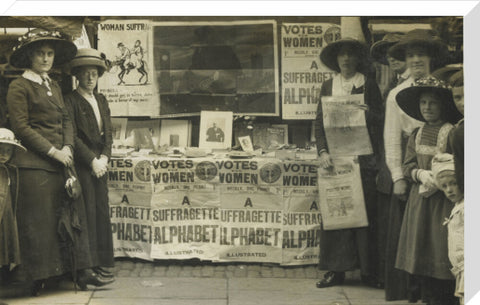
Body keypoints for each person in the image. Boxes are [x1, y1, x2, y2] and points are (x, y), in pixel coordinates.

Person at [5, 28, 96, 295]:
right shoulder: (19, 86)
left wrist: (67, 146)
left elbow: (66, 119)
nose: (45, 59)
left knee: (69, 218)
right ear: (29, 57)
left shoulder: (54, 85)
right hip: (35, 165)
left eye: (49, 54)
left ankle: (75, 272)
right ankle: (37, 278)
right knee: (40, 223)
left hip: (61, 162)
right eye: (40, 54)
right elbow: (22, 128)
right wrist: (53, 151)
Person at [382, 29, 448, 302]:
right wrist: (398, 175)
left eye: (421, 54)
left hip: (449, 170)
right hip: (416, 170)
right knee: (417, 236)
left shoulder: (448, 85)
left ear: (431, 57)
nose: (416, 59)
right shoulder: (398, 93)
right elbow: (392, 138)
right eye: (410, 55)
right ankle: (419, 293)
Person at [314, 38, 383, 288]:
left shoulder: (368, 84)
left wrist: (367, 114)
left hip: (363, 160)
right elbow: (319, 122)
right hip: (336, 159)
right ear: (336, 61)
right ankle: (336, 271)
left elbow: (381, 119)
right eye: (342, 56)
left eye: (350, 56)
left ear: (357, 59)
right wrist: (322, 151)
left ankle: (368, 271)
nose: (346, 60)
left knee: (364, 216)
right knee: (337, 214)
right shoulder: (328, 85)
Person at [395, 76, 462, 305]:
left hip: (444, 199)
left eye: (433, 103)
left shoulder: (452, 132)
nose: (428, 108)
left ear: (442, 105)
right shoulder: (417, 133)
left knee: (441, 247)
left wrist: (445, 176)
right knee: (420, 246)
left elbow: (459, 162)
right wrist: (420, 174)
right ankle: (425, 295)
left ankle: (443, 296)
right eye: (424, 103)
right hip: (420, 200)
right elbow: (407, 165)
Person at [64, 48, 116, 288]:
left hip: (100, 165)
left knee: (101, 210)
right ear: (77, 76)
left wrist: (105, 156)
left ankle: (103, 262)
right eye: (85, 73)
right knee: (87, 213)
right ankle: (89, 264)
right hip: (84, 165)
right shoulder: (71, 101)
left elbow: (108, 132)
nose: (90, 78)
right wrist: (92, 160)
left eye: (93, 73)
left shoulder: (102, 100)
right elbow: (72, 137)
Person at [369, 32, 410, 296]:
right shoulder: (393, 84)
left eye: (398, 54)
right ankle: (389, 277)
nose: (392, 59)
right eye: (389, 55)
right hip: (388, 157)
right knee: (387, 221)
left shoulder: (410, 87)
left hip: (403, 157)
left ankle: (402, 281)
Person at [431, 153, 464, 305]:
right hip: (459, 268)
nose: (449, 190)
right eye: (444, 186)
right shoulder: (457, 207)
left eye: (453, 183)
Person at [0, 128, 24, 285]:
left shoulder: (10, 170)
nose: (4, 154)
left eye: (8, 151)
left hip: (5, 217)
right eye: (0, 150)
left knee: (4, 253)